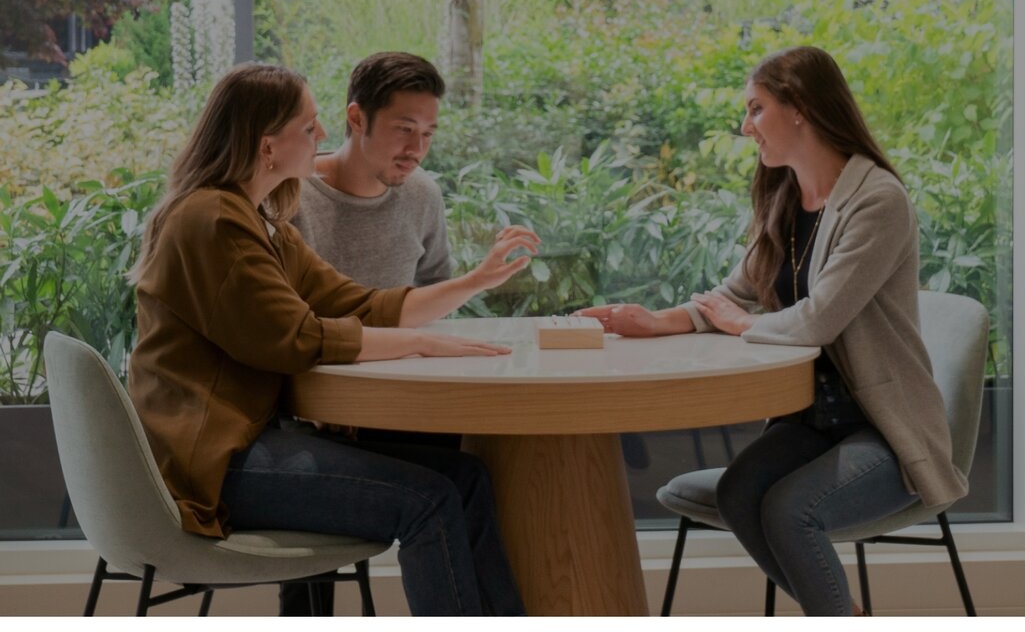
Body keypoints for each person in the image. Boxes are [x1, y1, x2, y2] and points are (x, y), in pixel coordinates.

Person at [126, 63, 538, 616]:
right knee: (430, 501)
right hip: (214, 462)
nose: (321, 136)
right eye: (309, 125)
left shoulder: (259, 218)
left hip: (244, 442)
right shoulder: (212, 220)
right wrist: (422, 345)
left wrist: (479, 279)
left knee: (464, 477)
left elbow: (360, 303)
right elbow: (293, 339)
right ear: (266, 146)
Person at [576, 46, 965, 616]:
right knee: (740, 493)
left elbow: (820, 317)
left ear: (800, 107)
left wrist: (742, 326)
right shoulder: (785, 195)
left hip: (883, 429)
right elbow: (737, 294)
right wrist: (658, 321)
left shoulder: (878, 200)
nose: (745, 126)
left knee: (789, 510)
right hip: (813, 418)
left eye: (756, 109)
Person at [282, 50, 530, 616]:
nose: (416, 148)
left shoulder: (421, 196)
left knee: (481, 471)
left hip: (401, 407)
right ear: (355, 118)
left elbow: (430, 300)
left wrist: (478, 280)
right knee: (449, 487)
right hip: (310, 410)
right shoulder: (292, 197)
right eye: (403, 130)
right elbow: (283, 328)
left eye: (428, 133)